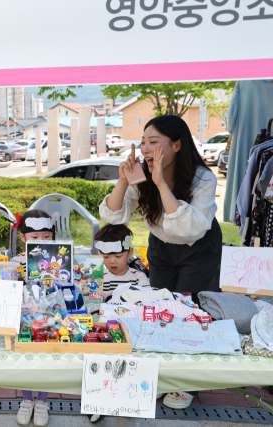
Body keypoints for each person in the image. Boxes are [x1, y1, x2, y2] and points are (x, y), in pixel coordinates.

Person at [100, 115, 222, 410]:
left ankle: (187, 382)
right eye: (143, 143)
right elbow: (114, 215)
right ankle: (160, 375)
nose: (146, 150)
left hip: (199, 247)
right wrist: (123, 180)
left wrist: (159, 184)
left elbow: (189, 228)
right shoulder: (140, 174)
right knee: (159, 311)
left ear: (177, 145)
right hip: (161, 248)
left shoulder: (203, 178)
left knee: (190, 310)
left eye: (154, 143)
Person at [11, 209, 54, 427]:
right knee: (25, 357)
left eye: (47, 237)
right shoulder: (15, 262)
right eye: (35, 238)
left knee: (46, 356)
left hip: (49, 316)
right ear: (23, 237)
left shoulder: (58, 258)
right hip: (24, 317)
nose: (42, 242)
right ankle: (27, 399)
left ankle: (43, 401)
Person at [94, 224, 149, 301]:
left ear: (130, 253)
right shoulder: (99, 278)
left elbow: (148, 299)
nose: (112, 261)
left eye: (118, 256)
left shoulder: (139, 278)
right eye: (106, 257)